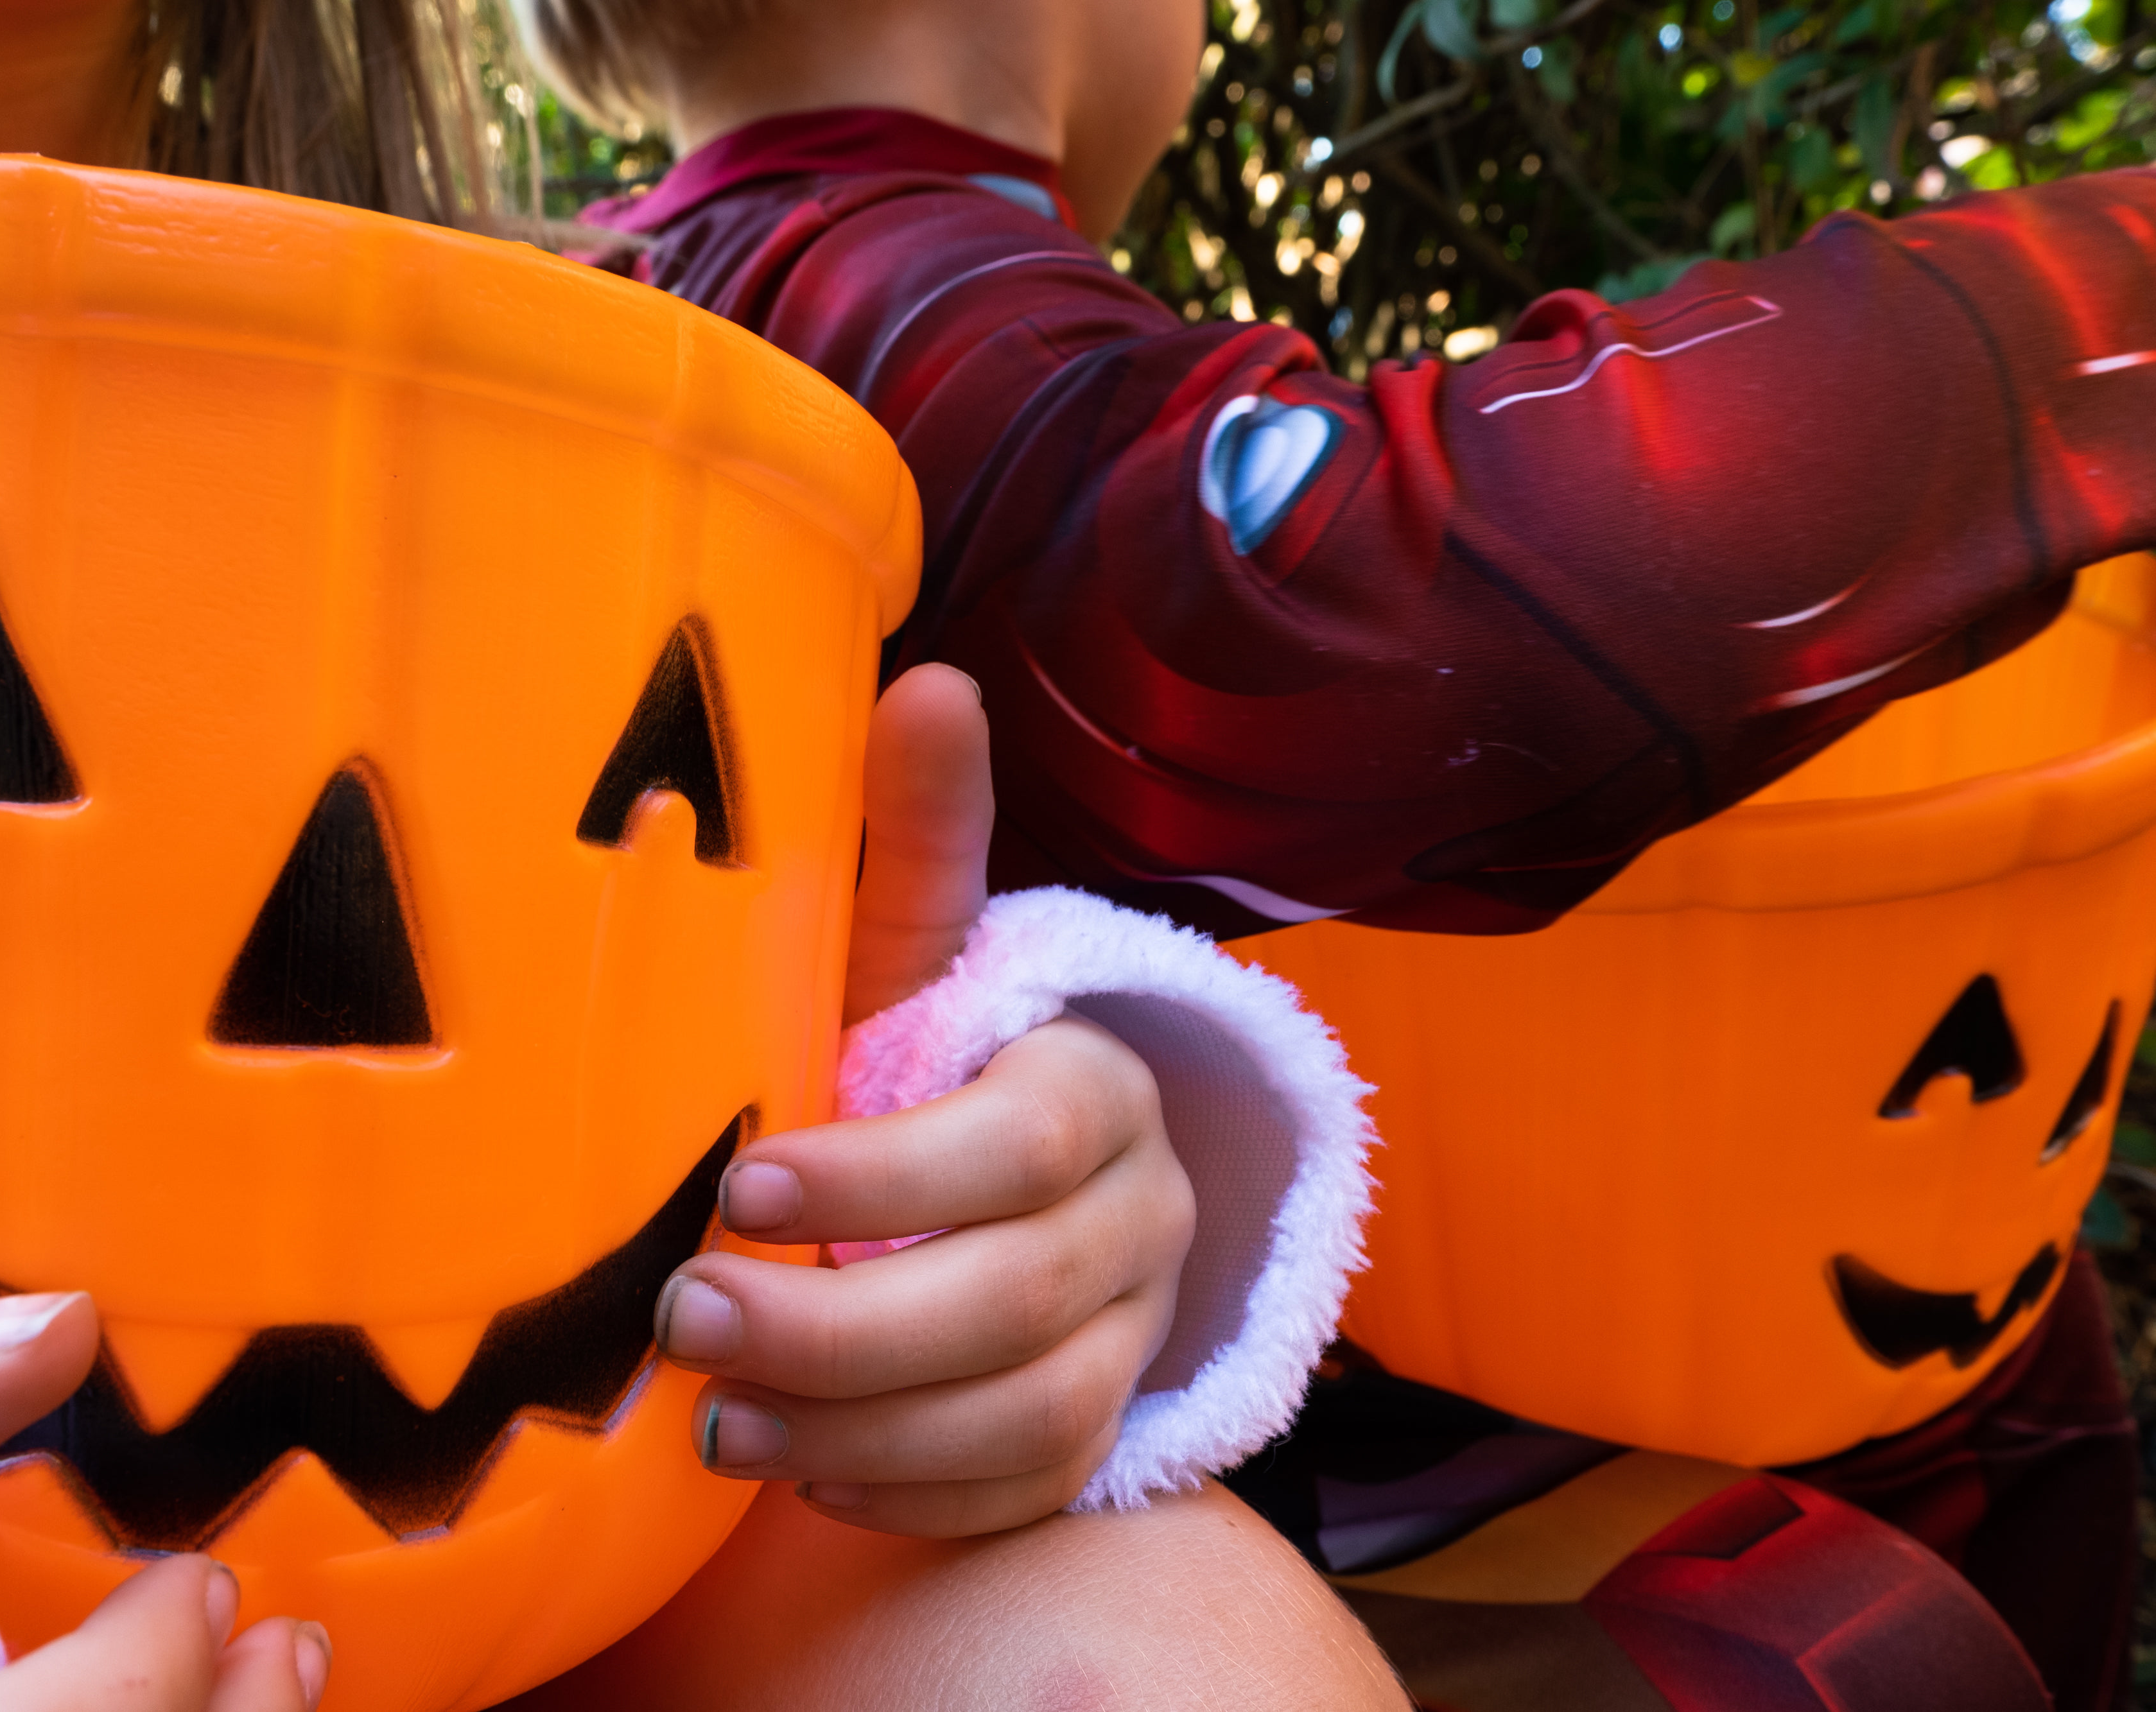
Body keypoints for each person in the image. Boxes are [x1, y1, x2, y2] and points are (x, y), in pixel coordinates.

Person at [0, 15, 1406, 1685]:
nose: (338, 1030)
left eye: (651, 791)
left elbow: (681, 1169)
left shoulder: (600, 415)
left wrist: (942, 1157)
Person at [505, 0, 2156, 1704]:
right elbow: (1351, 617)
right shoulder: (880, 287)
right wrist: (2102, 317)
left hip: (971, 1359)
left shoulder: (649, 290)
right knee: (1908, 1599)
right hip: (1035, 1474)